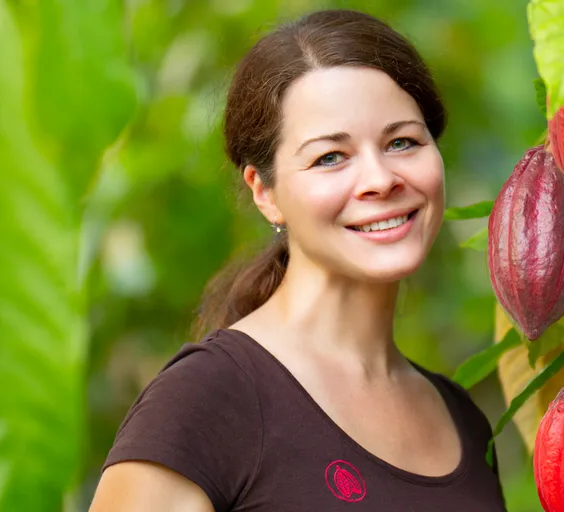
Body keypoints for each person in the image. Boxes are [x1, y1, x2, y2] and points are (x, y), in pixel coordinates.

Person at [89, 9, 508, 511]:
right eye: (330, 157)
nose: (380, 178)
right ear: (264, 192)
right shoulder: (206, 400)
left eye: (402, 142)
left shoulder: (462, 418)